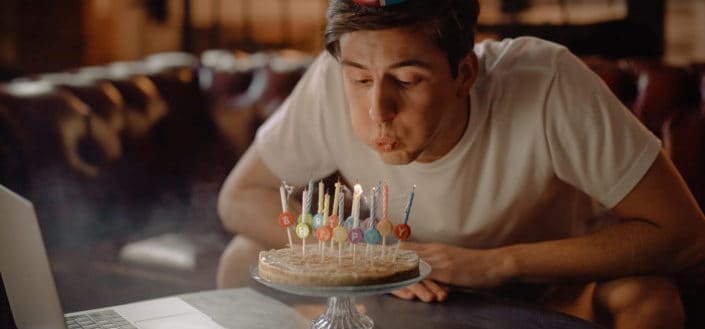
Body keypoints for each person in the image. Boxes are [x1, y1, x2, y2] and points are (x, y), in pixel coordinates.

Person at [216, 0, 705, 328]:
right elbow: (238, 198)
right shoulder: (329, 80)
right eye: (360, 80)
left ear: (464, 74)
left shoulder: (546, 82)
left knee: (649, 299)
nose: (377, 111)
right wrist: (370, 263)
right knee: (242, 258)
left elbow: (684, 232)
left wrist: (495, 265)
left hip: (543, 294)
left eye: (406, 81)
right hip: (401, 293)